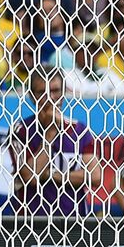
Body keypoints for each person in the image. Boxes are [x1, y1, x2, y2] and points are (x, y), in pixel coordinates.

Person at [12, 69, 101, 216]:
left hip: (74, 222)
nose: (50, 98)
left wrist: (53, 175)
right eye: (42, 92)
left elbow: (95, 176)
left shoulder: (79, 130)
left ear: (64, 93)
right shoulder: (21, 130)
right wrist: (51, 132)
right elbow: (29, 177)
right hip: (32, 224)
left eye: (55, 91)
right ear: (32, 96)